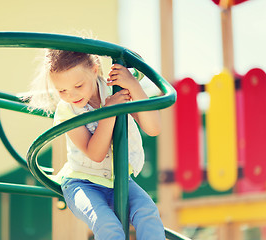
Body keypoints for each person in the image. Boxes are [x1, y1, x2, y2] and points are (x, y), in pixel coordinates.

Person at [28, 49, 165, 240]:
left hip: (119, 179)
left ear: (94, 70)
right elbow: (96, 153)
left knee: (148, 214)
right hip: (82, 184)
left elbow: (153, 128)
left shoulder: (114, 91)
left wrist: (133, 85)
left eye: (78, 85)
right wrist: (109, 112)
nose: (71, 95)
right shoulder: (66, 111)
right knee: (108, 227)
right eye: (62, 90)